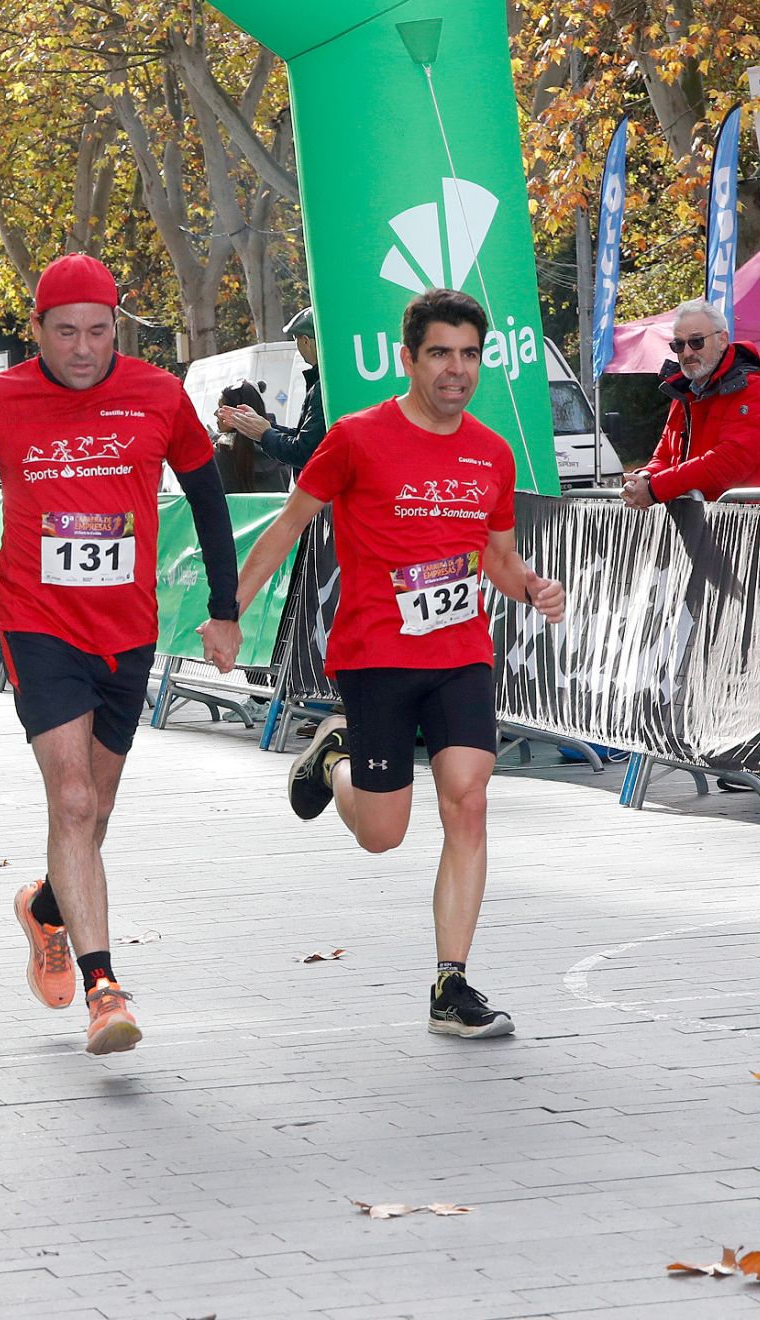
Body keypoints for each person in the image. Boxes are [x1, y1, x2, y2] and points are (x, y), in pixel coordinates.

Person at [0, 253, 244, 1056]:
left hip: (127, 627)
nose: (83, 348)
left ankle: (46, 908)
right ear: (36, 331)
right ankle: (105, 989)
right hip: (37, 621)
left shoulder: (157, 394)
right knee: (75, 802)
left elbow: (208, 495)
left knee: (98, 808)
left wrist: (224, 611)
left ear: (117, 325)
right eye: (66, 332)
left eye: (98, 330)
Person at [228, 289, 566, 1040]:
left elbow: (497, 556)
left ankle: (452, 985)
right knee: (383, 835)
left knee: (468, 800)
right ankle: (332, 758)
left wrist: (532, 586)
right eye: (441, 353)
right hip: (376, 655)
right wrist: (230, 614)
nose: (457, 369)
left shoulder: (490, 451)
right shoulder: (355, 437)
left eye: (470, 355)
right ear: (408, 358)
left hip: (459, 654)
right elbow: (287, 528)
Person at [621, 299, 760, 508]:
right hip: (702, 523)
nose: (687, 352)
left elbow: (730, 463)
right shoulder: (683, 394)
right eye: (679, 344)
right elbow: (663, 457)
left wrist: (654, 488)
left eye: (696, 341)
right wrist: (644, 477)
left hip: (753, 525)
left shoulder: (753, 389)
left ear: (722, 340)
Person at [216, 305, 326, 471]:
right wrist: (263, 426)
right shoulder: (326, 383)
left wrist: (265, 433)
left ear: (306, 341)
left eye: (295, 340)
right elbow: (304, 437)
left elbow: (304, 452)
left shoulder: (321, 389)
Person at [212, 381, 291, 494]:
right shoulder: (281, 450)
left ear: (237, 413)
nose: (216, 413)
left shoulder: (220, 454)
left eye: (221, 408)